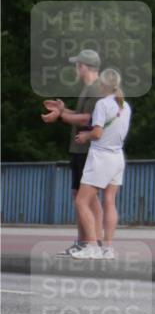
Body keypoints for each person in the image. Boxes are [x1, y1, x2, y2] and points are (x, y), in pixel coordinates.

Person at [40, 49, 104, 256]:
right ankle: (84, 242)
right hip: (79, 149)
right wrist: (62, 110)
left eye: (77, 65)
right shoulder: (88, 89)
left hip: (87, 150)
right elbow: (80, 114)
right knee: (80, 195)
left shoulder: (96, 89)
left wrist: (60, 116)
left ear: (83, 66)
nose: (76, 68)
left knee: (87, 198)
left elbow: (87, 119)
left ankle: (93, 243)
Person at [70, 69, 132, 259]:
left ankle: (92, 246)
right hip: (117, 157)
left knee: (81, 201)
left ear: (102, 85)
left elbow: (97, 133)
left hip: (101, 156)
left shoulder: (102, 104)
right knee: (110, 201)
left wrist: (85, 136)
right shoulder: (125, 106)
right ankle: (108, 248)